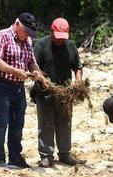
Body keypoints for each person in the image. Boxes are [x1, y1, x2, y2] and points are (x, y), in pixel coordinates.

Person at [0, 13, 49, 169]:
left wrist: (40, 76)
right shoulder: (2, 36)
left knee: (17, 124)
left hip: (18, 88)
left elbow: (31, 62)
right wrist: (15, 71)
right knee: (1, 124)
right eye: (25, 31)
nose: (27, 35)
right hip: (1, 85)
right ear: (17, 23)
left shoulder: (27, 40)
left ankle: (15, 157)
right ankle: (0, 159)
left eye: (29, 32)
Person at [32, 18, 84, 167]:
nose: (60, 41)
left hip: (65, 94)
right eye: (57, 37)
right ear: (51, 31)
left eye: (63, 38)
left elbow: (77, 67)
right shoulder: (41, 45)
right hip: (45, 92)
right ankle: (46, 156)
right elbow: (34, 67)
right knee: (46, 124)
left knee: (65, 123)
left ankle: (65, 154)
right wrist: (43, 79)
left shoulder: (71, 46)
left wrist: (78, 82)